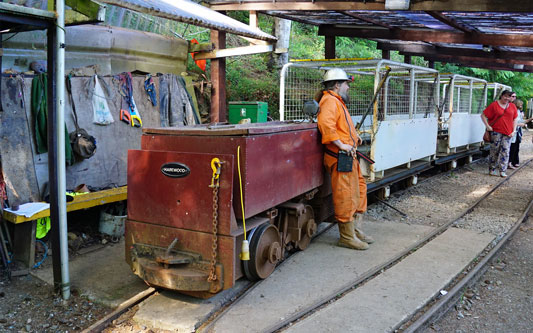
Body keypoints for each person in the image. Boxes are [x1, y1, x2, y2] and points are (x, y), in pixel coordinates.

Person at [316, 68, 372, 250]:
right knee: (346, 195)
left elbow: (341, 126)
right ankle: (347, 237)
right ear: (337, 85)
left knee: (359, 191)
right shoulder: (330, 101)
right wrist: (341, 145)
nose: (348, 87)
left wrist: (354, 137)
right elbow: (326, 125)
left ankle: (355, 229)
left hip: (348, 156)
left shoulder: (337, 102)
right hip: (339, 157)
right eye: (347, 84)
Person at [480, 90, 518, 177]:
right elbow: (483, 115)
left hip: (508, 132)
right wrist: (487, 126)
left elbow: (515, 119)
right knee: (494, 150)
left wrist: (514, 130)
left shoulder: (512, 106)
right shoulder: (494, 105)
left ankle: (502, 170)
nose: (507, 98)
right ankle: (492, 169)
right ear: (501, 96)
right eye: (505, 96)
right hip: (496, 132)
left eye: (509, 97)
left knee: (506, 151)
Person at [508, 98, 526, 169]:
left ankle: (513, 162)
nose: (521, 105)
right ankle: (510, 162)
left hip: (518, 132)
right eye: (521, 104)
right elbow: (512, 122)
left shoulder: (519, 111)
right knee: (512, 148)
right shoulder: (514, 111)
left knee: (516, 147)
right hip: (513, 131)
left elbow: (521, 121)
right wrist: (519, 125)